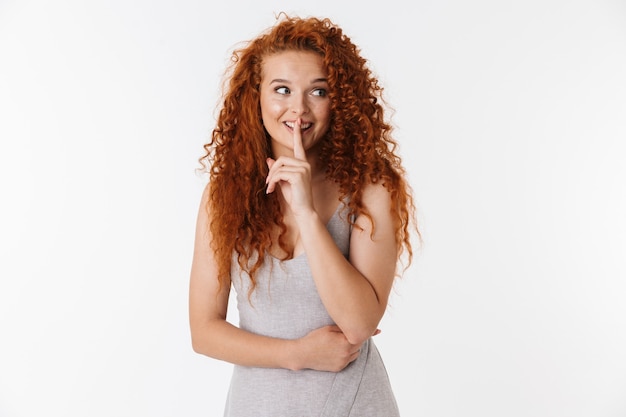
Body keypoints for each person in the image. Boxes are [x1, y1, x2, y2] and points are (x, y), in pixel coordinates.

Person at [189, 14, 417, 417]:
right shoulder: (224, 195)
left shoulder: (371, 188)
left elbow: (359, 324)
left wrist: (308, 215)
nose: (298, 108)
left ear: (339, 100)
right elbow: (204, 331)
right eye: (282, 90)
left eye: (318, 91)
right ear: (255, 96)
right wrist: (297, 354)